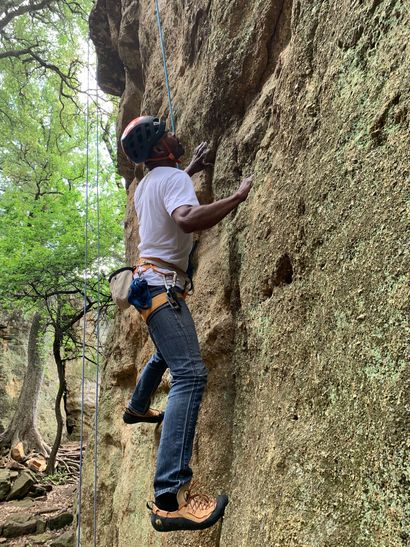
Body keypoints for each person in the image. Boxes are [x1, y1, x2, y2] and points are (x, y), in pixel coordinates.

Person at [120, 115, 252, 532]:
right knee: (191, 375)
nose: (174, 135)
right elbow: (185, 218)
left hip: (147, 284)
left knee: (168, 351)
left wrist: (190, 169)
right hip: (163, 286)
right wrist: (237, 197)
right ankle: (168, 497)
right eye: (166, 134)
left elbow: (167, 193)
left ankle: (138, 406)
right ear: (161, 149)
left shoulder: (146, 185)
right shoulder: (171, 179)